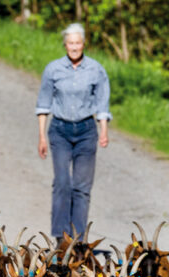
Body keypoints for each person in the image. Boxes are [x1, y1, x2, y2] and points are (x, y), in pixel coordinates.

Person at [35, 23, 111, 243]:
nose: (74, 47)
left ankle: (77, 238)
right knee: (62, 183)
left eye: (78, 43)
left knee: (82, 187)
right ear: (65, 45)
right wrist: (41, 136)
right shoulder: (53, 69)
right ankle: (61, 237)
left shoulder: (96, 70)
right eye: (70, 43)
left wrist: (104, 130)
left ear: (84, 44)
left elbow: (102, 102)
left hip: (86, 131)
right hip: (60, 131)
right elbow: (43, 104)